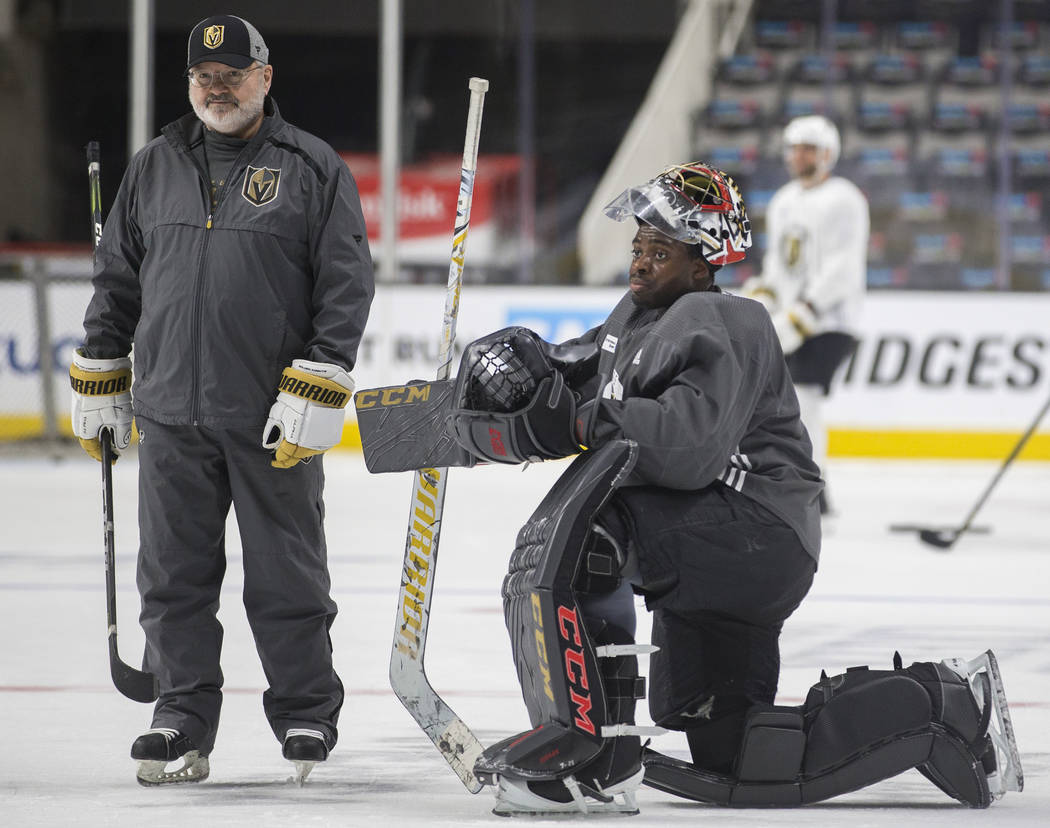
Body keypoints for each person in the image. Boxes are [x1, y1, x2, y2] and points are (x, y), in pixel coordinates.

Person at [444, 164, 1020, 814]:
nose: (640, 262)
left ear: (702, 264)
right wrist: (507, 391)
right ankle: (941, 706)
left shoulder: (723, 318)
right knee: (738, 751)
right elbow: (578, 372)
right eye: (638, 247)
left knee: (592, 535)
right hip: (728, 548)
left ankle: (589, 752)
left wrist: (577, 420)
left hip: (758, 532)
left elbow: (686, 445)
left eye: (659, 252)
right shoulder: (638, 317)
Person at [69, 14, 374, 786]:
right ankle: (180, 713)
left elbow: (345, 285)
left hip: (272, 415)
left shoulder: (311, 167)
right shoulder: (154, 164)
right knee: (171, 574)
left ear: (265, 77)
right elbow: (118, 280)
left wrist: (321, 376)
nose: (216, 86)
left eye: (233, 74)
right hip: (170, 410)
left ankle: (305, 709)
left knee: (288, 575)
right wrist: (103, 366)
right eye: (204, 76)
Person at [741, 115, 869, 514]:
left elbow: (842, 268)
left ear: (828, 154)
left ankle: (814, 487)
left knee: (804, 397)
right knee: (784, 401)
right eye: (794, 148)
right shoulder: (783, 201)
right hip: (793, 319)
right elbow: (781, 264)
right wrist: (765, 293)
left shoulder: (844, 198)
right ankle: (794, 479)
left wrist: (804, 313)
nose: (799, 156)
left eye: (808, 148)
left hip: (830, 321)